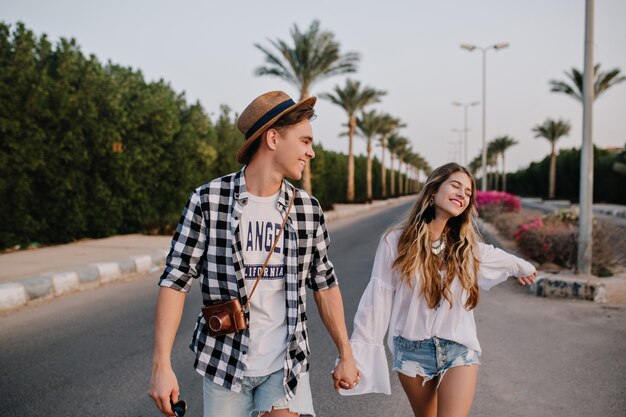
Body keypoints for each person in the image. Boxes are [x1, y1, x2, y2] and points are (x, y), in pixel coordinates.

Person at [149, 91, 359, 417]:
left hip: (286, 364)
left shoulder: (306, 209)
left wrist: (346, 353)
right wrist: (161, 365)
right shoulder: (209, 201)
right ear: (273, 138)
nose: (311, 152)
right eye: (304, 141)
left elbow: (324, 282)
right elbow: (175, 279)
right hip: (224, 363)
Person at [337, 163, 536, 417]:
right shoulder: (395, 241)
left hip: (458, 348)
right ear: (433, 190)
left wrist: (524, 267)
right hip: (411, 352)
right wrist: (355, 357)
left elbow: (497, 257)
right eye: (455, 185)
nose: (462, 194)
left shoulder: (465, 246)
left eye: (467, 192)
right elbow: (378, 299)